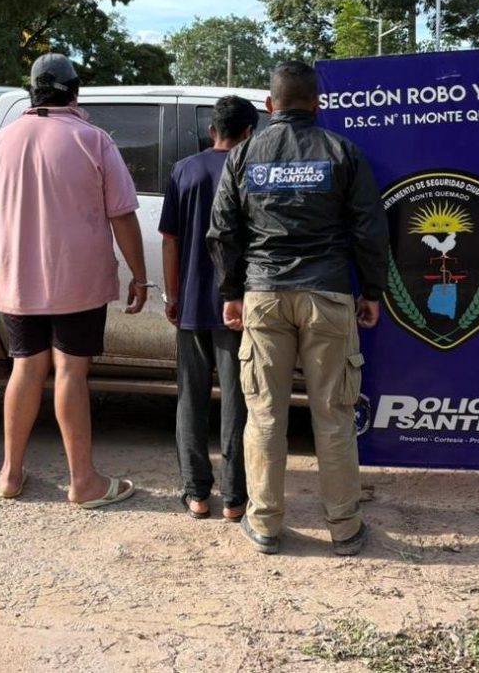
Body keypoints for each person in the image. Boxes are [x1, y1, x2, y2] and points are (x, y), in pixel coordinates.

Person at [207, 61, 389, 556]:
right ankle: (345, 528)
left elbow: (222, 232)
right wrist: (371, 292)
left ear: (270, 106)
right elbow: (370, 229)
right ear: (318, 104)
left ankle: (265, 525)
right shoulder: (343, 152)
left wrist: (231, 293)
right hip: (328, 296)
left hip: (263, 296)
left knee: (264, 413)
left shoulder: (243, 156)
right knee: (333, 414)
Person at [0, 53, 147, 508]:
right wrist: (140, 277)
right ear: (74, 91)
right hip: (78, 280)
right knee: (70, 370)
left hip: (16, 280)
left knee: (25, 367)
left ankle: (10, 474)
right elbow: (123, 215)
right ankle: (83, 482)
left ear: (32, 92)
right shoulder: (94, 140)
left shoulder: (1, 140)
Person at [160, 95, 258, 521]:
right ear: (249, 133)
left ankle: (197, 494)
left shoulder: (185, 170)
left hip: (194, 302)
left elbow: (170, 239)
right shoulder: (253, 172)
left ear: (212, 129)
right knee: (238, 399)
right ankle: (236, 498)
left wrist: (173, 294)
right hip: (239, 302)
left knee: (191, 398)